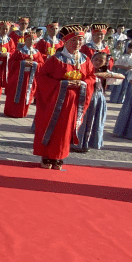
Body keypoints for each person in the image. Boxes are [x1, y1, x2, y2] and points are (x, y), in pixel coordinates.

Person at [32, 25, 95, 170]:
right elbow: (42, 77)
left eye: (80, 40)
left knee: (66, 129)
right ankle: (47, 156)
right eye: (75, 40)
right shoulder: (56, 59)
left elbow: (91, 77)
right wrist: (63, 84)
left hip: (74, 101)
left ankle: (59, 156)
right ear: (66, 42)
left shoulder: (85, 60)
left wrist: (83, 83)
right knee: (51, 127)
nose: (78, 43)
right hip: (55, 100)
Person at [73, 51, 123, 153]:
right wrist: (95, 74)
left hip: (98, 98)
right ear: (91, 60)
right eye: (96, 59)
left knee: (94, 121)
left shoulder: (105, 73)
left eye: (101, 60)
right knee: (81, 120)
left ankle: (87, 143)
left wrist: (105, 74)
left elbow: (121, 76)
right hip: (85, 97)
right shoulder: (86, 69)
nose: (98, 62)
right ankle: (77, 143)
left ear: (105, 62)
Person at [4, 29, 45, 118]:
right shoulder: (19, 51)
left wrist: (34, 64)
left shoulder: (37, 53)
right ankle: (11, 111)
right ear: (25, 40)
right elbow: (11, 63)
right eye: (29, 40)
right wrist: (22, 63)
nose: (31, 41)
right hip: (18, 77)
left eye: (32, 40)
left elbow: (42, 65)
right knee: (15, 93)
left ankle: (22, 112)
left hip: (30, 76)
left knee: (27, 94)